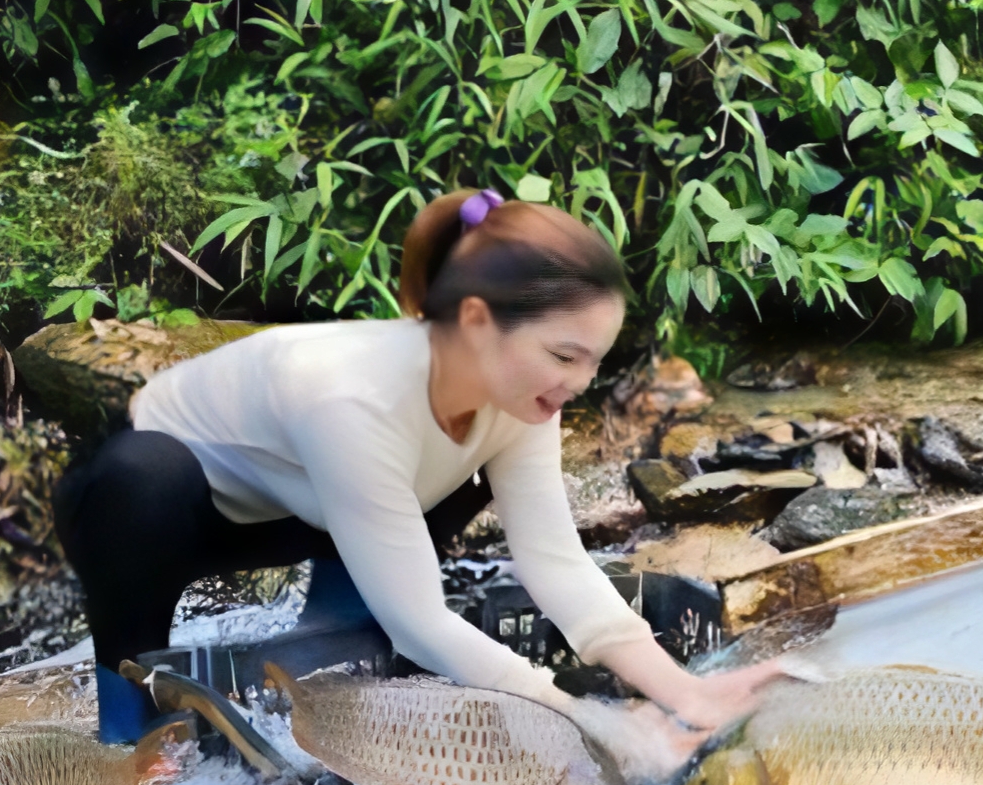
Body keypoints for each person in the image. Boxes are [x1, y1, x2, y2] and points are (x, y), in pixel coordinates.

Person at [54, 187, 788, 743]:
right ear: (474, 320)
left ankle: (336, 631)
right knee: (136, 483)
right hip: (176, 502)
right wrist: (582, 722)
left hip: (319, 502)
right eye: (564, 355)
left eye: (592, 361)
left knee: (441, 503)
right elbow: (420, 623)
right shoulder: (353, 397)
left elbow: (559, 565)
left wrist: (684, 694)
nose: (579, 383)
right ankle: (125, 723)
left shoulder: (521, 394)